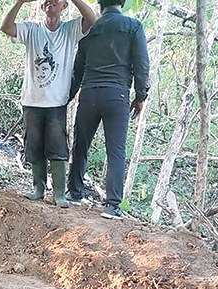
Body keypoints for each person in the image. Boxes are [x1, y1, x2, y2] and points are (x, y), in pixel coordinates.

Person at [1, 0, 97, 209]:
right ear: (42, 6)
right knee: (34, 145)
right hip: (31, 100)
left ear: (64, 6)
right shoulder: (31, 30)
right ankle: (38, 188)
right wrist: (20, 2)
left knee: (58, 147)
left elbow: (92, 19)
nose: (50, 1)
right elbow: (6, 27)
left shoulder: (70, 30)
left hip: (56, 102)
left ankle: (59, 193)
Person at [66, 0, 148, 219]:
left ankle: (74, 193)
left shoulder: (90, 28)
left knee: (80, 144)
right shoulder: (133, 26)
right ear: (122, 3)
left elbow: (78, 69)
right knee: (116, 150)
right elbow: (141, 64)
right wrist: (141, 96)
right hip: (117, 95)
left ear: (100, 4)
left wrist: (67, 97)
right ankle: (112, 205)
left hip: (89, 93)